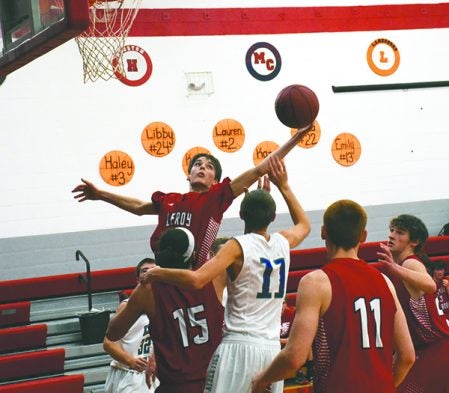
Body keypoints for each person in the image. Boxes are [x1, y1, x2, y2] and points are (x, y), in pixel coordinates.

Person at [145, 156, 311, 393]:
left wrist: (159, 273)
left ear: (242, 215)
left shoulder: (234, 248)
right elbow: (304, 224)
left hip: (238, 347)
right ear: (273, 217)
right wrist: (283, 186)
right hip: (271, 351)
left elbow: (196, 279)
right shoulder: (283, 242)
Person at [72, 129, 309, 268]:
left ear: (215, 180)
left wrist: (295, 138)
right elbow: (138, 207)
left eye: (208, 166)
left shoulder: (216, 197)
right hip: (162, 270)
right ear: (189, 174)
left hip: (194, 275)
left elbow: (260, 168)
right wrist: (100, 194)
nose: (201, 168)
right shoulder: (170, 199)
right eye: (197, 164)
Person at [252, 199, 415, 393]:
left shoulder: (315, 282)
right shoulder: (385, 282)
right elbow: (407, 356)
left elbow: (295, 357)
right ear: (363, 236)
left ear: (323, 232)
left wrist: (262, 380)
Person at [105, 227, 224, 393]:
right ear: (194, 256)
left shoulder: (148, 289)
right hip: (215, 383)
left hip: (175, 385)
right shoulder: (213, 278)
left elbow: (112, 334)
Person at [378, 214, 449, 392]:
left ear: (414, 242)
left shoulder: (409, 263)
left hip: (434, 349)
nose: (392, 235)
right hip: (429, 350)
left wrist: (395, 268)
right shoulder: (404, 266)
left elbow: (430, 284)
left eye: (400, 232)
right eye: (391, 230)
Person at [103, 258, 159, 393]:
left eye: (153, 270)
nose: (149, 273)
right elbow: (108, 343)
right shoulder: (127, 306)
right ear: (138, 279)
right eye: (145, 270)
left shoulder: (164, 304)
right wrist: (130, 361)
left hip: (155, 372)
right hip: (129, 372)